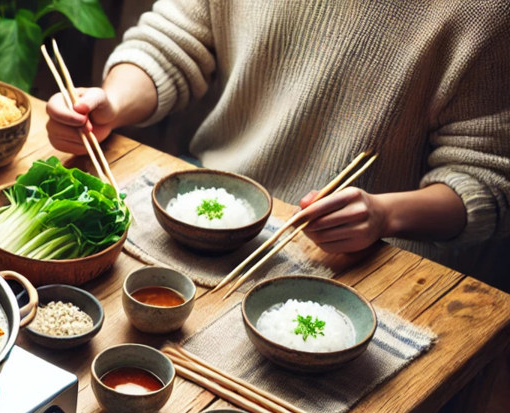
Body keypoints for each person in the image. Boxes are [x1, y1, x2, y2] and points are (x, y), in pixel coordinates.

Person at [45, 0, 510, 285]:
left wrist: (385, 214)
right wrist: (112, 102)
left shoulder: (487, 12)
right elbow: (174, 38)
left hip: (366, 253)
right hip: (215, 201)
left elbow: (486, 180)